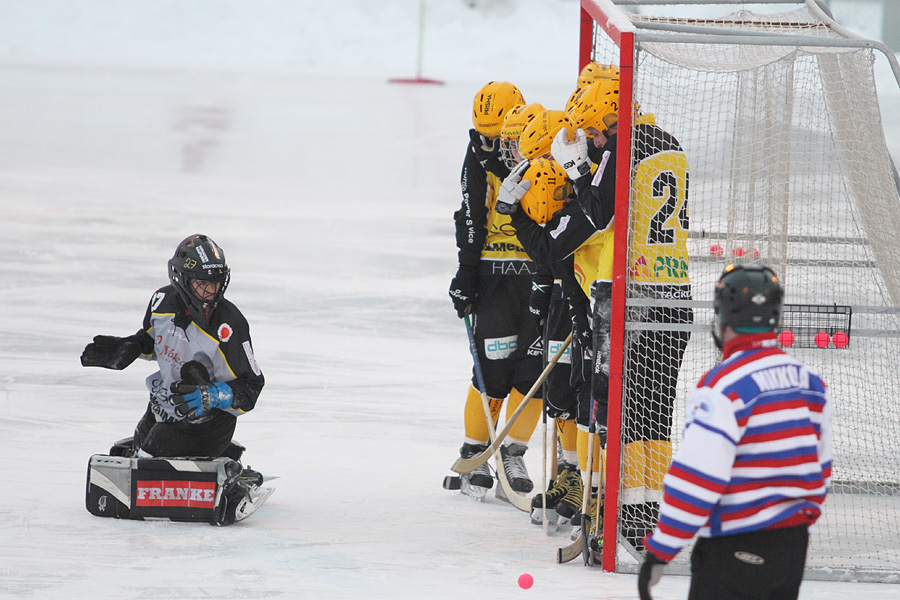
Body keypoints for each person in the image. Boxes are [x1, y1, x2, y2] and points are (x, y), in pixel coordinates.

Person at [553, 77, 694, 549]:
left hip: (634, 296)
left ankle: (624, 518)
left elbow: (600, 214)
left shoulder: (622, 145)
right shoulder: (669, 144)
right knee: (657, 413)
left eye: (596, 131)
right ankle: (646, 514)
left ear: (613, 119)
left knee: (626, 412)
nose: (594, 140)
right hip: (676, 294)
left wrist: (576, 174)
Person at [638, 264, 832, 600]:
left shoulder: (722, 388)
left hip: (735, 548)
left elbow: (697, 478)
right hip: (792, 549)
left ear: (721, 318)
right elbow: (821, 469)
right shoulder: (810, 383)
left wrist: (661, 549)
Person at [80, 233, 265, 460]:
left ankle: (213, 455)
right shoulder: (161, 302)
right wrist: (133, 346)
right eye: (203, 283)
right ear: (182, 279)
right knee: (139, 453)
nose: (212, 291)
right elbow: (155, 341)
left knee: (148, 459)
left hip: (207, 425)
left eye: (216, 283)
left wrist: (211, 395)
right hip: (162, 408)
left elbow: (250, 388)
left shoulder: (230, 326)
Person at [449, 81, 545, 500]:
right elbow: (471, 216)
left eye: (498, 134)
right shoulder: (478, 154)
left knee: (535, 368)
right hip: (494, 276)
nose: (491, 143)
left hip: (538, 273)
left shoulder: (541, 142)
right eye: (484, 134)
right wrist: (466, 274)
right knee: (492, 368)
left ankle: (513, 451)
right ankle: (476, 448)